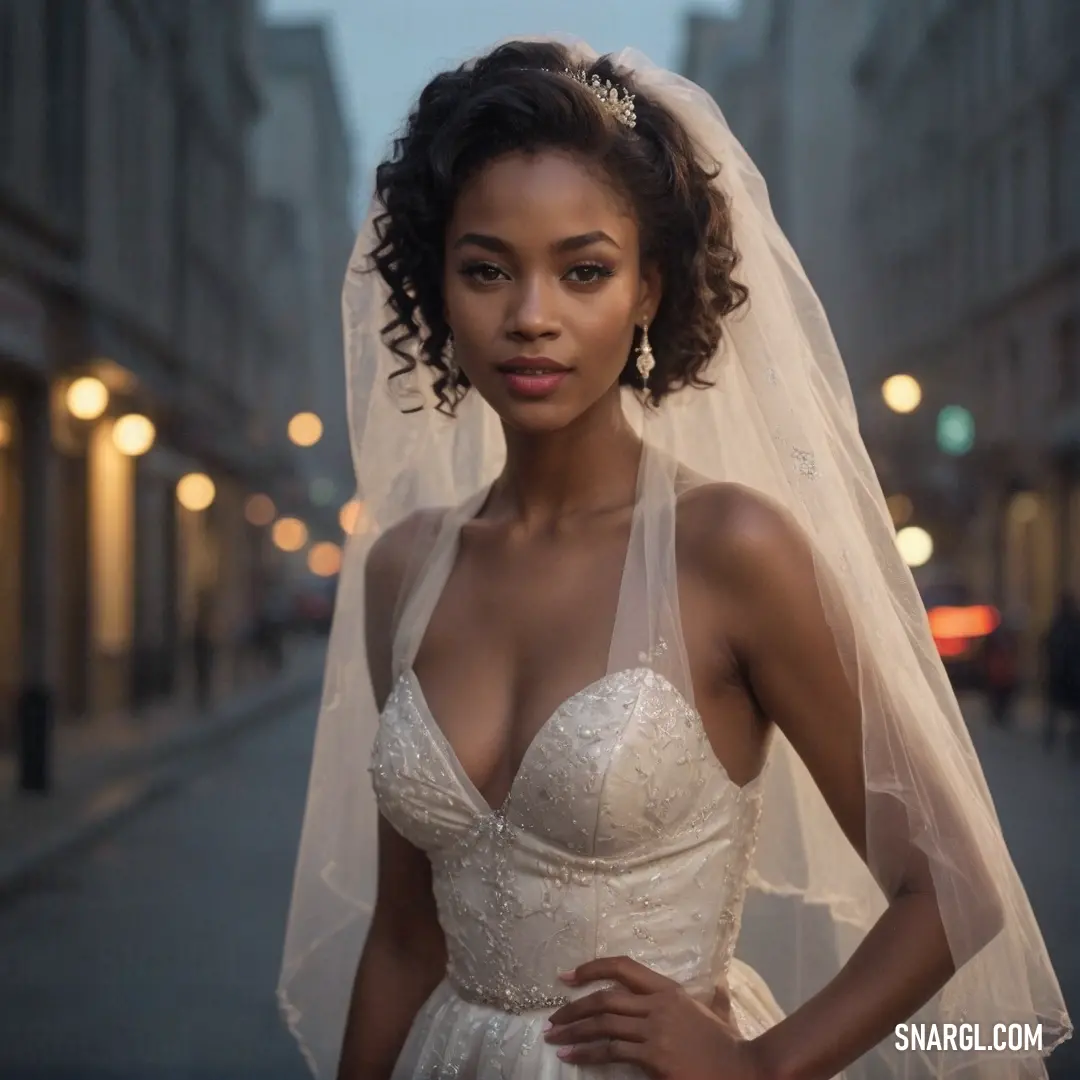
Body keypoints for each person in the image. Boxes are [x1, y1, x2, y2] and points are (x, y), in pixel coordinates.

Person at [278, 38, 1070, 1080]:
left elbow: (954, 889)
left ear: (647, 289)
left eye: (584, 270)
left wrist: (764, 1066)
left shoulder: (729, 548)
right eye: (486, 270)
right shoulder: (405, 569)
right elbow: (403, 936)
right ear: (437, 286)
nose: (531, 318)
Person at [1042, 591, 1080, 756]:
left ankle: (1057, 739)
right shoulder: (1068, 624)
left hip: (1064, 674)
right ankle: (1062, 739)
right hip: (1068, 674)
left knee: (1059, 710)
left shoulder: (1061, 624)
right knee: (1065, 711)